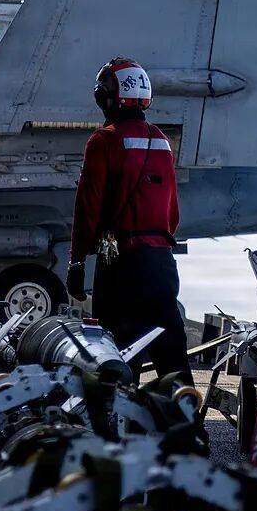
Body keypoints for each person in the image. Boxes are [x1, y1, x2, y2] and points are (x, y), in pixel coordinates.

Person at [65, 57, 187, 378]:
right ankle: (186, 409)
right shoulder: (161, 141)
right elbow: (171, 210)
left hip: (121, 265)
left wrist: (77, 262)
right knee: (172, 359)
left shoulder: (103, 141)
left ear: (108, 97)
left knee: (115, 360)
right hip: (161, 263)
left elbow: (88, 207)